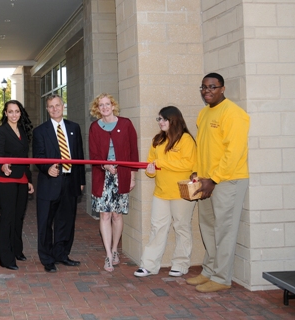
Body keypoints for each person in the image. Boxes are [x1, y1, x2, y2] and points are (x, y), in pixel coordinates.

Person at [186, 73, 250, 293]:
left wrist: (214, 179)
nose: (207, 91)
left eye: (212, 87)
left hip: (227, 180)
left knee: (224, 230)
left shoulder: (234, 114)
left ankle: (222, 278)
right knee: (208, 228)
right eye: (203, 87)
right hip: (206, 181)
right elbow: (204, 147)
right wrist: (198, 173)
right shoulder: (204, 113)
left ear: (223, 88)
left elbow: (234, 152)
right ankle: (209, 271)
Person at [134, 106, 196, 278]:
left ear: (173, 120)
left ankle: (180, 264)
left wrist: (162, 162)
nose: (160, 122)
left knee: (181, 227)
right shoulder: (157, 140)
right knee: (157, 228)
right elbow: (149, 166)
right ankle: (149, 265)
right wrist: (151, 170)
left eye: (163, 119)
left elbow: (188, 164)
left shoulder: (186, 139)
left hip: (181, 193)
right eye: (159, 119)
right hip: (161, 192)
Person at [32, 94, 85, 273]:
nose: (55, 109)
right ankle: (47, 258)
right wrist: (47, 168)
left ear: (63, 106)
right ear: (47, 110)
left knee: (66, 222)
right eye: (51, 106)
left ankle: (62, 254)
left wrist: (81, 181)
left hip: (70, 183)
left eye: (57, 105)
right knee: (45, 223)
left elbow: (79, 156)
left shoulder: (74, 128)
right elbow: (38, 157)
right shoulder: (40, 131)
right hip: (49, 183)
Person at [88, 93, 138, 272]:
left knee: (117, 215)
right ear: (97, 108)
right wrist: (105, 165)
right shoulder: (94, 127)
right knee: (104, 215)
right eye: (101, 105)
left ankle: (116, 249)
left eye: (107, 104)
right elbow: (93, 154)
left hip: (122, 175)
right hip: (103, 177)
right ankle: (108, 255)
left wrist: (132, 176)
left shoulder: (126, 124)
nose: (104, 108)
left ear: (113, 105)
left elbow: (133, 151)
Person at [0, 100, 34, 270]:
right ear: (5, 113)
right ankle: (6, 258)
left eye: (17, 111)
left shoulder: (23, 131)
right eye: (10, 112)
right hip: (5, 179)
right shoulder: (0, 131)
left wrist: (29, 179)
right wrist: (3, 165)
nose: (14, 114)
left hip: (22, 178)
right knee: (7, 217)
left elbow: (25, 158)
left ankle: (17, 250)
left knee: (18, 217)